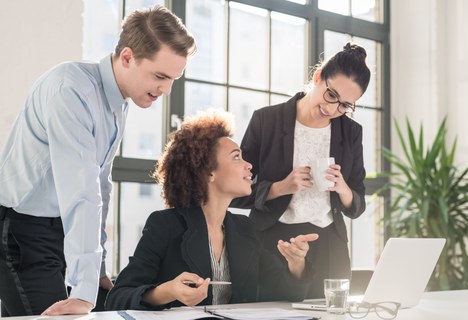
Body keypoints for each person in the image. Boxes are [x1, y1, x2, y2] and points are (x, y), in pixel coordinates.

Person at [0, 6, 196, 317]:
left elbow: (101, 184)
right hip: (21, 228)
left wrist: (98, 269)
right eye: (160, 76)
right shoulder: (72, 90)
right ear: (128, 57)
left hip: (58, 228)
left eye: (174, 78)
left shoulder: (120, 100)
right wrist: (83, 287)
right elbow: (82, 190)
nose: (166, 89)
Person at [104, 110, 319, 310]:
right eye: (237, 157)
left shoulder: (244, 228)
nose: (249, 165)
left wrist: (296, 262)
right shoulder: (165, 225)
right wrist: (167, 291)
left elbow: (288, 292)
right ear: (208, 172)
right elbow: (118, 297)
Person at [231, 42, 371, 299]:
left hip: (328, 244)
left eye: (345, 106)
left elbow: (358, 204)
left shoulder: (351, 132)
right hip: (272, 242)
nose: (332, 109)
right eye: (331, 95)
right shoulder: (266, 120)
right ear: (317, 77)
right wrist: (279, 188)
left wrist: (343, 188)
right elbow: (235, 190)